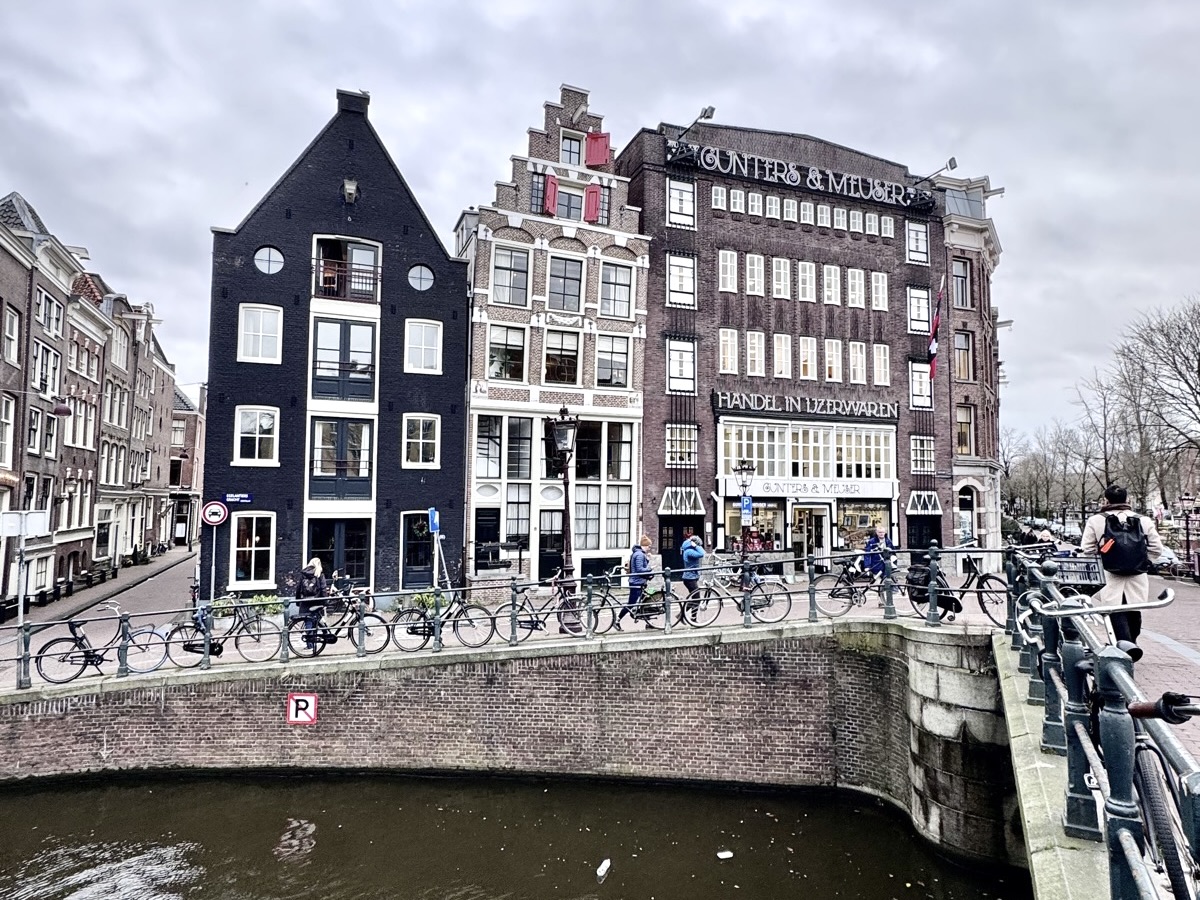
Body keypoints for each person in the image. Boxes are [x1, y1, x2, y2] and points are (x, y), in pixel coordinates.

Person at [1080, 485, 1163, 662]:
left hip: (1110, 573)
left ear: (1106, 500)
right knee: (1133, 609)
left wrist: (1106, 554)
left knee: (1115, 610)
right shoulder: (1143, 520)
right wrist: (1141, 560)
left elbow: (1086, 549)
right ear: (1128, 500)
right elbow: (1157, 549)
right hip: (1137, 574)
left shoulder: (1096, 520)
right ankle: (1131, 645)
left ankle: (1124, 649)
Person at [618, 535, 653, 630]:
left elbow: (640, 567)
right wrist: (650, 569)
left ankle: (650, 623)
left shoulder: (638, 554)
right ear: (645, 545)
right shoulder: (639, 555)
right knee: (631, 603)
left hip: (639, 582)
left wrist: (647, 560)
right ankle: (617, 620)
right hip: (637, 582)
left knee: (646, 601)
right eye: (649, 547)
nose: (649, 549)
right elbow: (640, 570)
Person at [294, 557, 327, 646]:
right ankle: (313, 646)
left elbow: (298, 589)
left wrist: (298, 601)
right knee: (315, 622)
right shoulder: (319, 574)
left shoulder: (303, 574)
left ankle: (310, 645)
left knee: (308, 622)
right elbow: (323, 589)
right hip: (316, 601)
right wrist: (325, 602)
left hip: (305, 602)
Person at [681, 535, 706, 602]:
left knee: (695, 598)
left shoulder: (688, 550)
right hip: (690, 578)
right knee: (697, 599)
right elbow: (702, 553)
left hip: (690, 577)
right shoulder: (689, 552)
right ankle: (684, 612)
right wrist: (696, 546)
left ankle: (685, 611)